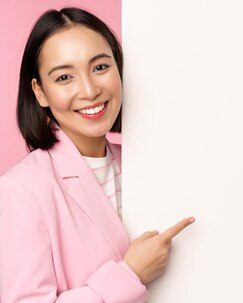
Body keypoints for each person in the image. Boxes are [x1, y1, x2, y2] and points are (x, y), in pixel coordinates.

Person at [0, 7, 194, 302]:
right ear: (40, 92)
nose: (89, 90)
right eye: (65, 77)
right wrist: (130, 274)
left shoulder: (149, 162)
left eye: (100, 67)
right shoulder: (21, 190)